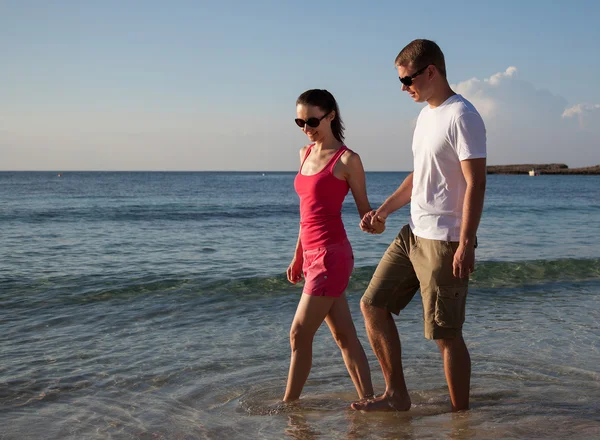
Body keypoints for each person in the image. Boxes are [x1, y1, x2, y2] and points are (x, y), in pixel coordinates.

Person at [352, 39, 487, 412]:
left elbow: (475, 182)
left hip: (445, 241)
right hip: (413, 233)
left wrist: (465, 242)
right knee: (372, 304)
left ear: (431, 71)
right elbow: (419, 176)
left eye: (408, 79)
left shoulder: (463, 115)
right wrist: (383, 211)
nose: (403, 87)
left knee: (446, 335)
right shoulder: (426, 115)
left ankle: (462, 420)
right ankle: (396, 395)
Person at [283, 89, 380, 403]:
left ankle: (288, 409)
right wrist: (298, 256)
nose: (306, 127)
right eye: (300, 121)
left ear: (331, 116)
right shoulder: (305, 154)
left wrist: (376, 222)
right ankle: (370, 401)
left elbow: (366, 210)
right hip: (310, 255)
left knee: (299, 334)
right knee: (344, 337)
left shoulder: (348, 160)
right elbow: (305, 214)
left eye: (312, 120)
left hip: (331, 256)